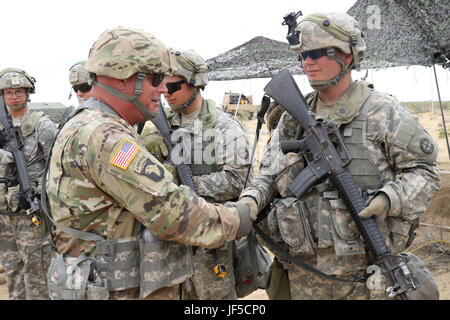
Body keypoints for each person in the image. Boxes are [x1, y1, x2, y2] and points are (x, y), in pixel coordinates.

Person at [235, 11, 441, 300]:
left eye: (318, 53)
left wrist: (389, 198)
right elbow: (268, 175)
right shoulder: (292, 118)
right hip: (302, 277)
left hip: (366, 278)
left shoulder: (383, 111)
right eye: (303, 56)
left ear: (347, 56)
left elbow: (425, 173)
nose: (308, 63)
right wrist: (249, 202)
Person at [44, 26, 251, 300]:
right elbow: (173, 212)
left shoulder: (86, 123)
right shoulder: (106, 136)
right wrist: (240, 218)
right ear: (120, 79)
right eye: (155, 79)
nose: (163, 89)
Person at [143, 49, 251, 300]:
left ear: (195, 83)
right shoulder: (160, 127)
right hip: (168, 238)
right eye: (162, 86)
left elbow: (238, 181)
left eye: (174, 87)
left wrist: (182, 183)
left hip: (210, 234)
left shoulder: (224, 126)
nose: (165, 93)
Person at [0, 68, 57, 299]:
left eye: (19, 91)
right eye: (9, 92)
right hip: (4, 211)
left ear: (28, 92)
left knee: (36, 270)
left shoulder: (42, 124)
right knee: (12, 268)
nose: (14, 96)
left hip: (30, 210)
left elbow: (56, 165)